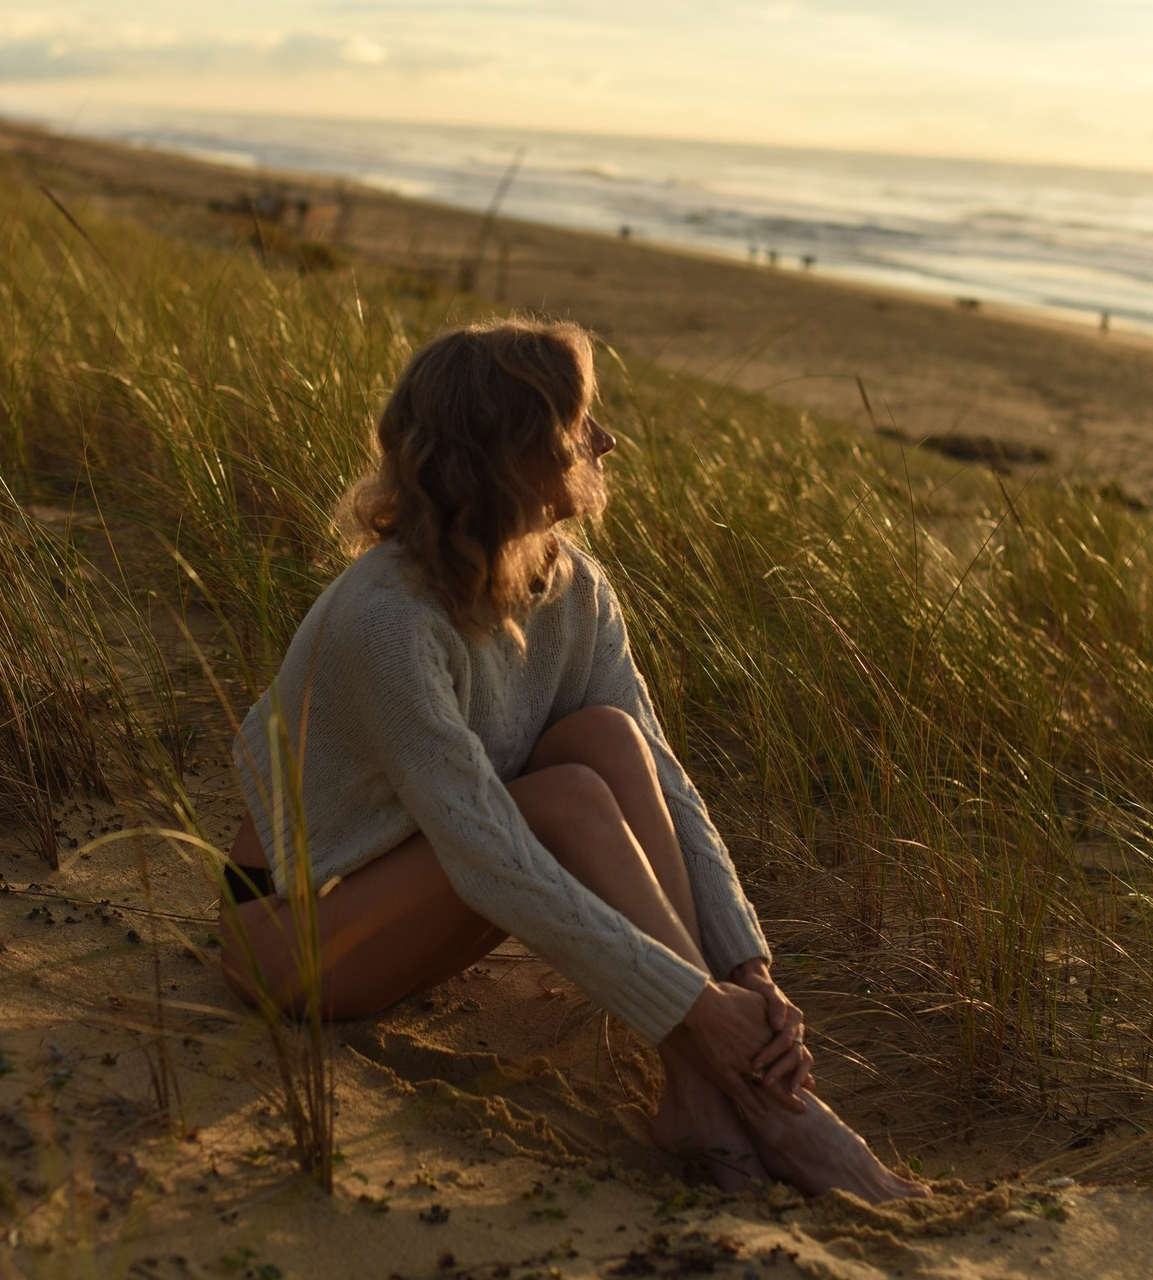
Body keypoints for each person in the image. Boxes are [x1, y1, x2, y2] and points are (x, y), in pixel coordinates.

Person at [219, 318, 927, 1202]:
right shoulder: (386, 621)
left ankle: (703, 1094)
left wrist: (749, 972)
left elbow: (662, 774)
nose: (607, 441)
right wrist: (704, 1012)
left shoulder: (574, 588)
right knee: (561, 801)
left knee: (607, 743)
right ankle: (760, 1102)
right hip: (292, 937)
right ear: (518, 451)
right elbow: (488, 853)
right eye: (582, 422)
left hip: (423, 889)